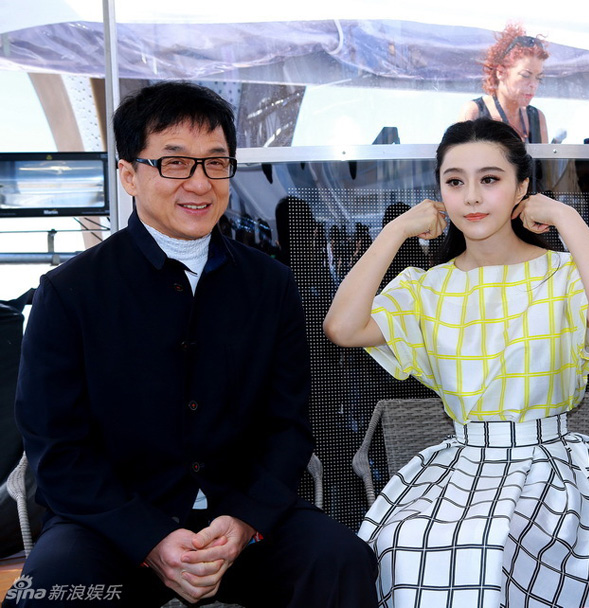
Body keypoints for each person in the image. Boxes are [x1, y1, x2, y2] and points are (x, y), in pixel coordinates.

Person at [9, 81, 377, 608]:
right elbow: (57, 447)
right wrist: (150, 539)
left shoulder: (270, 285)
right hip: (114, 528)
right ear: (129, 175)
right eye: (175, 163)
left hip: (241, 522)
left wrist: (246, 520)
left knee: (338, 559)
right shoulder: (70, 292)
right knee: (54, 590)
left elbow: (289, 425)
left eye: (216, 162)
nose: (200, 184)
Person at [324, 117, 589, 607]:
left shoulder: (563, 274)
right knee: (411, 546)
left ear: (522, 188)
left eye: (489, 179)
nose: (471, 197)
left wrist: (565, 217)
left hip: (554, 472)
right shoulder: (427, 288)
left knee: (493, 547)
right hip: (462, 466)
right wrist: (397, 230)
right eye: (455, 182)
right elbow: (341, 328)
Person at [458, 23, 549, 144]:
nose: (534, 85)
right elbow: (457, 160)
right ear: (500, 72)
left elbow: (546, 163)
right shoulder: (474, 112)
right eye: (525, 75)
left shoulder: (537, 118)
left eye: (539, 78)